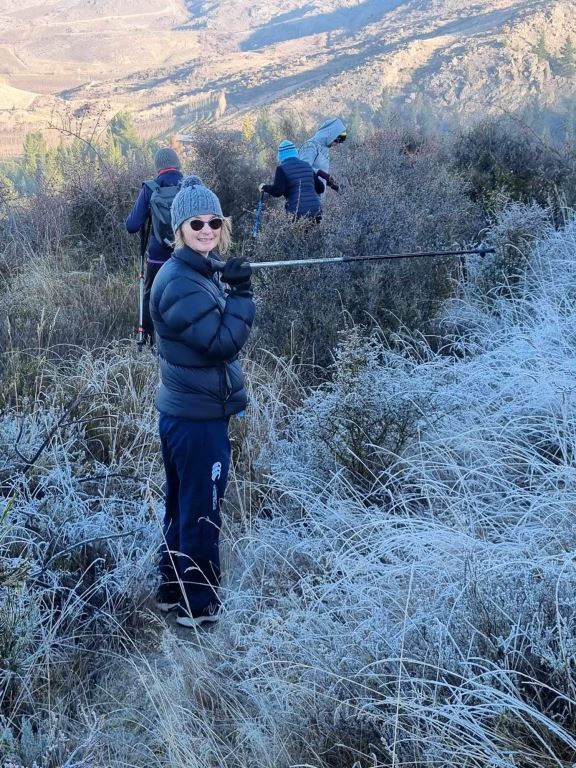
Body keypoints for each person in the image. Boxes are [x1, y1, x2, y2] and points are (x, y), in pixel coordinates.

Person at [149, 176, 255, 629]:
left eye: (215, 221)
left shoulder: (196, 271)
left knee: (185, 503)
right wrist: (243, 295)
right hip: (194, 420)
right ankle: (199, 606)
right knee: (202, 509)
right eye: (197, 222)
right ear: (179, 228)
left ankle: (173, 588)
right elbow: (221, 342)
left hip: (190, 413)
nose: (208, 229)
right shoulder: (177, 282)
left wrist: (224, 279)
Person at [125, 146, 183, 344]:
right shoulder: (189, 185)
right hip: (186, 254)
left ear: (158, 167)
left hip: (158, 257)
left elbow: (132, 226)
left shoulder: (150, 188)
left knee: (151, 297)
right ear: (177, 163)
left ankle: (148, 340)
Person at [258, 139, 324, 222]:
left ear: (280, 156)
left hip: (297, 214)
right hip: (316, 211)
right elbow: (321, 188)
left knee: (297, 235)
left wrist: (264, 187)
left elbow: (277, 191)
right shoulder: (307, 165)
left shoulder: (281, 169)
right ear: (295, 152)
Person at [298, 117, 347, 195]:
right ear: (330, 135)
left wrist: (334, 186)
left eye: (340, 142)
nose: (337, 144)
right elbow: (303, 169)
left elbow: (318, 174)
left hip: (317, 197)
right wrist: (322, 174)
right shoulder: (310, 146)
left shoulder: (324, 148)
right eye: (337, 140)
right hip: (306, 196)